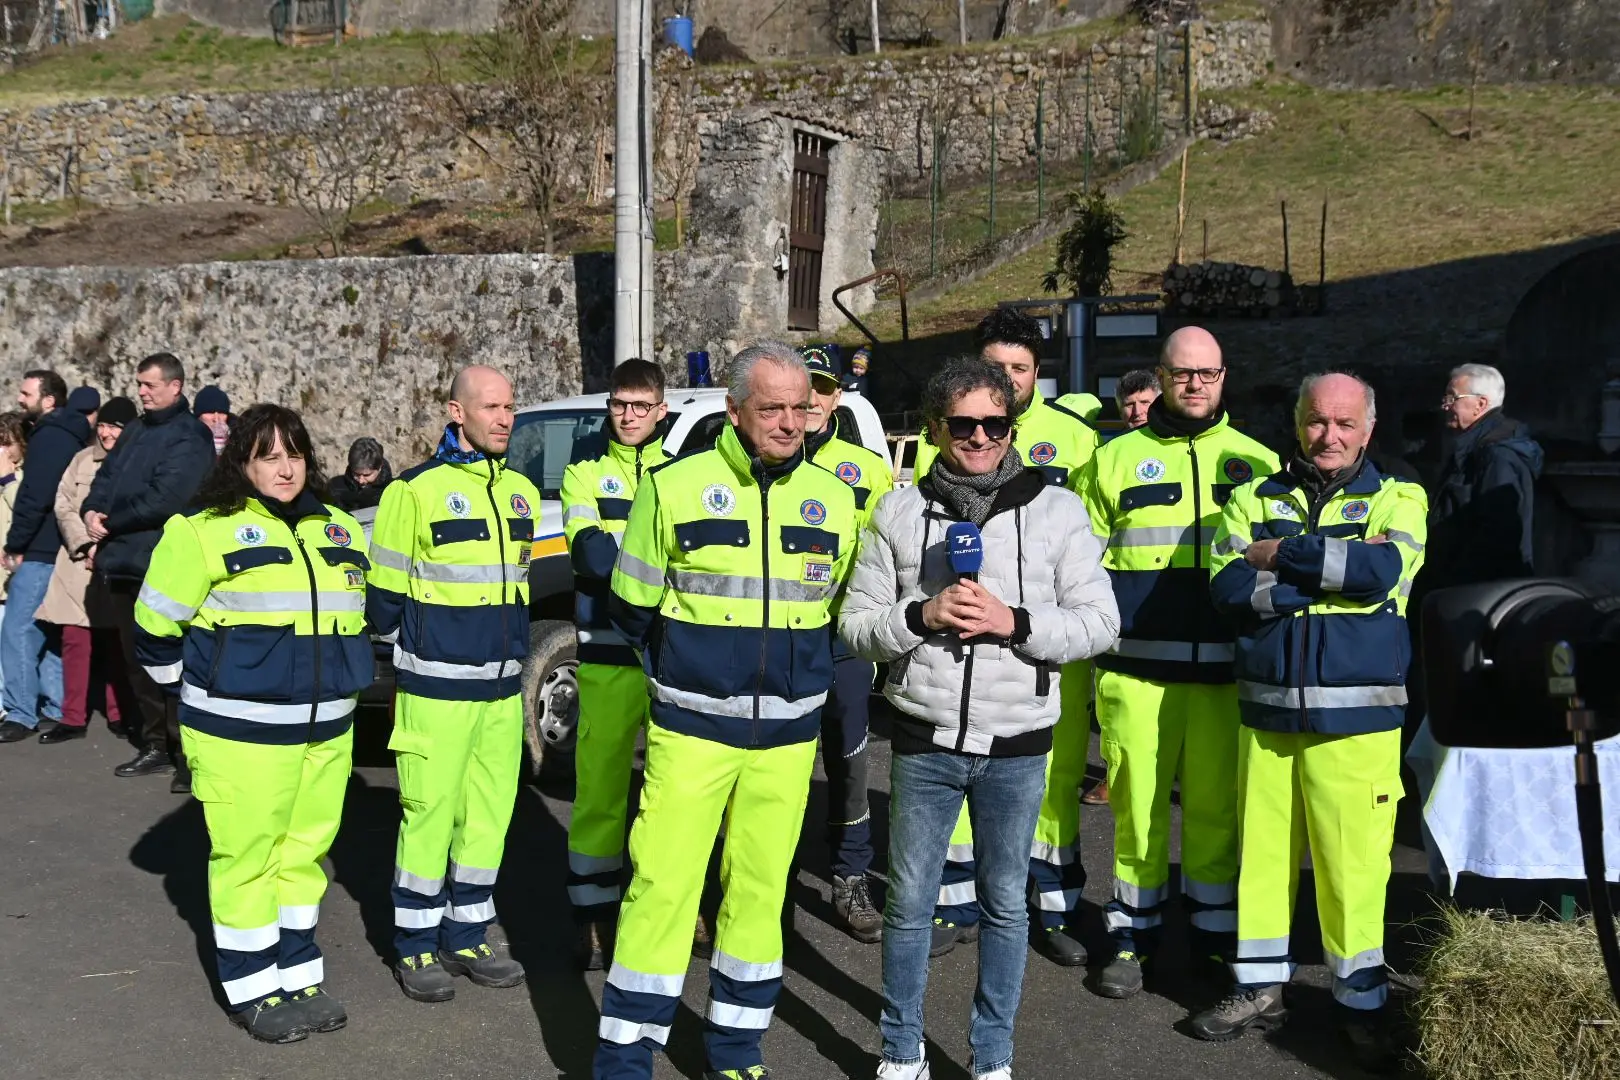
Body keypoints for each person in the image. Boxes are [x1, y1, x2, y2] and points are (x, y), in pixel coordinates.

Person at [841, 356, 1120, 1080]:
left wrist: (1014, 622)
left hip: (1019, 744)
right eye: (963, 424)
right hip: (923, 738)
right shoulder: (897, 512)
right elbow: (854, 627)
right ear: (935, 429)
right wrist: (921, 614)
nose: (980, 437)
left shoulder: (1058, 511)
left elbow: (1099, 625)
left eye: (995, 424)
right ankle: (901, 1051)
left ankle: (992, 1057)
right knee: (907, 906)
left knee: (1004, 906)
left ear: (1012, 425)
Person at [593, 342, 856, 1080]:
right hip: (691, 731)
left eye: (799, 408)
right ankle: (624, 1055)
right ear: (734, 411)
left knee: (759, 897)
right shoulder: (675, 487)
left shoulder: (836, 498)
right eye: (770, 408)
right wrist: (692, 672)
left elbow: (835, 610)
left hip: (786, 739)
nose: (788, 423)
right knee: (662, 889)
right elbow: (631, 607)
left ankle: (736, 1051)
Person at [1199, 373, 1426, 1066]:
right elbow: (1227, 586)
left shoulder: (1402, 495)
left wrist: (1281, 556)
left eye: (1344, 423)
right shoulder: (1251, 495)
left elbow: (1383, 574)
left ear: (1368, 429)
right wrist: (1325, 577)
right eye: (1316, 421)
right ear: (1297, 423)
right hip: (1268, 713)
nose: (1329, 435)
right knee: (1262, 862)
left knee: (1354, 869)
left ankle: (1362, 1002)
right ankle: (1260, 985)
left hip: (1359, 724)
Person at [134, 404, 373, 1043]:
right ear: (241, 460)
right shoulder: (202, 530)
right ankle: (254, 989)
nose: (284, 466)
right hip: (240, 731)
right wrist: (189, 696)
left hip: (327, 730)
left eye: (294, 452)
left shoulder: (341, 528)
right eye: (268, 454)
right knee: (247, 858)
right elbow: (154, 627)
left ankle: (298, 972)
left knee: (303, 856)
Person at [1077, 325, 1280, 998]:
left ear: (1225, 377)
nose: (1196, 384)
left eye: (1208, 373)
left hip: (1224, 673)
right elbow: (1077, 567)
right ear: (1160, 377)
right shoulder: (1111, 460)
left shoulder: (1258, 461)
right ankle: (1131, 938)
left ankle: (1213, 937)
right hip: (1136, 672)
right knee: (1136, 811)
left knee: (1218, 811)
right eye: (1183, 373)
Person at [916, 308, 1103, 965]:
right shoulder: (941, 431)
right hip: (964, 642)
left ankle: (1052, 907)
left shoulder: (1075, 440)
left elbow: (1088, 544)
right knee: (961, 774)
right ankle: (958, 902)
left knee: (1051, 784)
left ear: (1037, 375)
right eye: (994, 368)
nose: (1006, 380)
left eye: (1018, 369)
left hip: (1044, 645)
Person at [368, 365, 538, 1002]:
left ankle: (468, 934)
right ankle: (414, 946)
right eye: (491, 406)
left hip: (500, 691)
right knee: (429, 816)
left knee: (489, 818)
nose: (504, 418)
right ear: (456, 412)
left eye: (510, 406)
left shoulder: (520, 491)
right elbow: (382, 596)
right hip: (435, 690)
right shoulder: (413, 492)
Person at [561, 358, 672, 970]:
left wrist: (630, 554)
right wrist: (651, 564)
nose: (627, 416)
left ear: (660, 409)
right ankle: (591, 917)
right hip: (605, 654)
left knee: (665, 796)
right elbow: (590, 554)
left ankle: (662, 910)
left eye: (639, 405)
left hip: (666, 658)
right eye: (618, 404)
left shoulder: (682, 471)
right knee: (599, 792)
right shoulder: (582, 471)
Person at [82, 353, 216, 786]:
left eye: (149, 384)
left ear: (175, 386)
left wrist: (111, 521)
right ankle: (155, 743)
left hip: (163, 564)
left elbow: (168, 499)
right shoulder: (136, 430)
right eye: (139, 384)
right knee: (136, 661)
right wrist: (91, 510)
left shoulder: (190, 436)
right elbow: (105, 479)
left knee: (172, 663)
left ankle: (185, 754)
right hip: (122, 563)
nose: (141, 391)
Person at [801, 344, 894, 944]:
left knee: (850, 761)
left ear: (838, 396)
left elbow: (889, 558)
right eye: (805, 384)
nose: (811, 399)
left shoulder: (867, 468)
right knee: (768, 768)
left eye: (824, 387)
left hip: (844, 640)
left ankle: (851, 876)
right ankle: (763, 882)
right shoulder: (761, 458)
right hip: (779, 638)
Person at [37, 396, 139, 745]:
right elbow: (63, 505)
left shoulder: (136, 462)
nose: (108, 433)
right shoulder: (81, 460)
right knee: (74, 643)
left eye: (116, 426)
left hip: (115, 565)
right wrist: (86, 543)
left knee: (116, 644)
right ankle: (72, 718)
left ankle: (120, 714)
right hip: (78, 565)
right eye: (104, 425)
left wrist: (108, 547)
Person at [1081, 369, 1162, 809]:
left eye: (1145, 402)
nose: (1136, 412)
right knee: (1116, 703)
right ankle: (1116, 775)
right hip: (1121, 597)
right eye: (1129, 405)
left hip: (1176, 598)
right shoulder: (1109, 457)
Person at [0, 369, 86, 743]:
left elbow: (36, 495)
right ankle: (54, 705)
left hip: (41, 547)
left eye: (26, 393)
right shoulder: (71, 435)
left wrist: (15, 543)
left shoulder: (49, 438)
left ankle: (20, 712)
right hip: (62, 548)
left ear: (49, 400)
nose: (20, 399)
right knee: (48, 628)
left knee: (18, 629)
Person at [1418, 362, 1541, 593]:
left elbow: (1496, 535)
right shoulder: (1470, 449)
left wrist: (1453, 581)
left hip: (1474, 593)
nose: (1445, 406)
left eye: (1452, 398)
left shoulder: (1497, 456)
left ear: (1480, 404)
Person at [0, 412, 28, 712]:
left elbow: (21, 509)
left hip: (13, 574)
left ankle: (10, 703)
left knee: (10, 642)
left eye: (6, 443)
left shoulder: (21, 478)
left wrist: (7, 476)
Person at [326, 437, 394, 513]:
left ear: (380, 467)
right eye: (356, 474)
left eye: (367, 475)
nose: (361, 481)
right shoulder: (335, 488)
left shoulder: (393, 490)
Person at [195, 385, 232, 457]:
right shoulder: (185, 442)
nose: (216, 418)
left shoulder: (239, 442)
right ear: (198, 416)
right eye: (210, 412)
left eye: (221, 412)